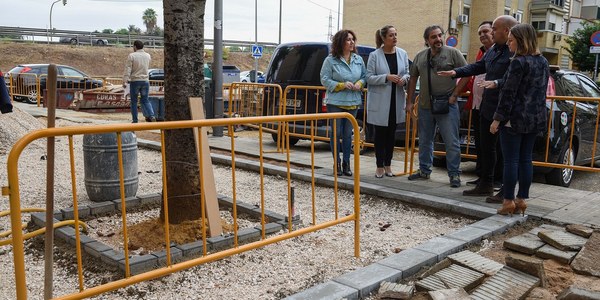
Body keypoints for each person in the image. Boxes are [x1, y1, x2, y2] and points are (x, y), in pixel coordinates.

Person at [438, 15, 518, 197]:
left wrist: (496, 82)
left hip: (506, 108)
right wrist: (455, 71)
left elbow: (514, 78)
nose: (491, 33)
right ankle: (486, 183)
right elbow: (479, 66)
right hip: (488, 105)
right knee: (486, 147)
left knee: (505, 150)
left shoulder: (515, 51)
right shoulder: (494, 50)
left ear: (506, 31)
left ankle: (506, 189)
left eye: (494, 29)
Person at [485, 23, 549, 216]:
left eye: (511, 40)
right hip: (535, 118)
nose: (509, 44)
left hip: (515, 119)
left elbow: (508, 94)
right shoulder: (543, 61)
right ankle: (521, 199)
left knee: (511, 161)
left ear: (520, 41)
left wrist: (497, 120)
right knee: (526, 160)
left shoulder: (518, 62)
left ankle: (508, 201)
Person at [406, 25, 467, 188]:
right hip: (425, 105)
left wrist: (455, 94)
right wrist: (410, 102)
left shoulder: (453, 53)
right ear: (427, 40)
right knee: (425, 140)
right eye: (434, 37)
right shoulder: (420, 56)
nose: (438, 39)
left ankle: (454, 174)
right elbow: (412, 79)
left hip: (447, 105)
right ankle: (424, 170)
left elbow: (468, 73)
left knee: (451, 141)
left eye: (440, 35)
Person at [320, 29, 367, 176]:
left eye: (353, 39)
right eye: (348, 40)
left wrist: (360, 83)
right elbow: (324, 79)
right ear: (341, 42)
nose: (352, 42)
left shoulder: (358, 60)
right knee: (337, 133)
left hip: (353, 102)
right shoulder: (330, 60)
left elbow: (365, 76)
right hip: (335, 103)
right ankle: (337, 163)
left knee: (348, 135)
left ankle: (347, 163)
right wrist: (341, 85)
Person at [366, 25, 410, 178]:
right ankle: (379, 166)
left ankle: (388, 165)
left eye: (396, 34)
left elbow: (407, 74)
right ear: (384, 38)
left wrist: (403, 80)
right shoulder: (374, 55)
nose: (395, 37)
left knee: (392, 135)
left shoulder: (403, 53)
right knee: (380, 135)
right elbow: (369, 78)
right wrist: (386, 77)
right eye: (391, 35)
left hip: (396, 100)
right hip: (380, 101)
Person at [123, 40, 155, 123]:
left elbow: (128, 69)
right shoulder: (148, 55)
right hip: (145, 81)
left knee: (134, 101)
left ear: (135, 47)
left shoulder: (132, 56)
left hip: (135, 81)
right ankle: (152, 115)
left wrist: (125, 81)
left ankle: (135, 120)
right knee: (145, 100)